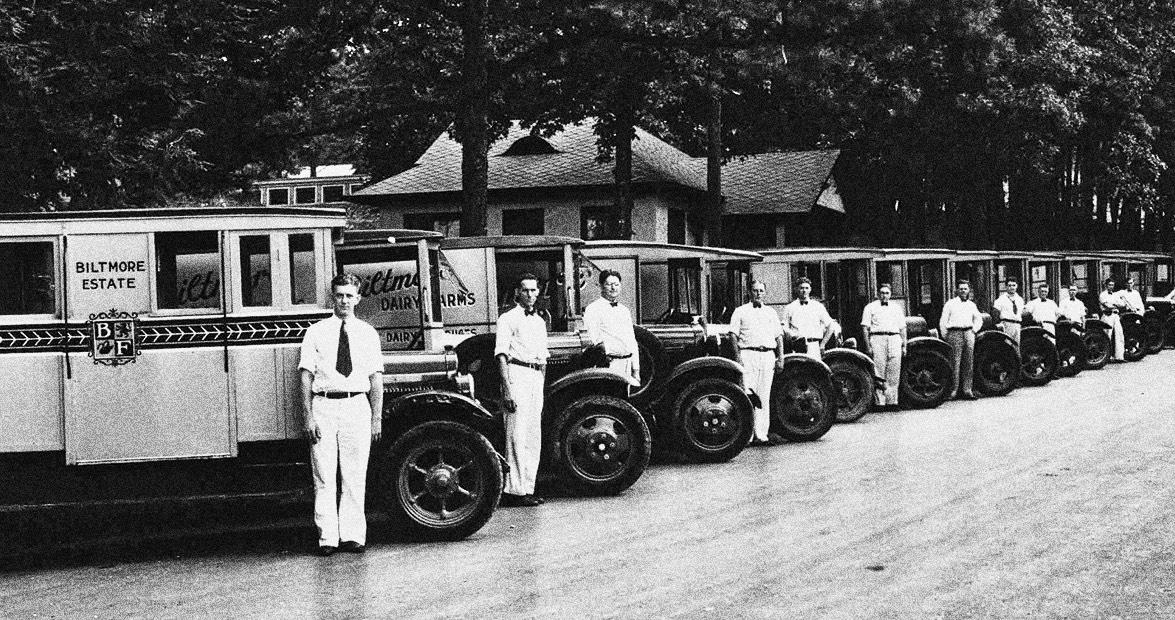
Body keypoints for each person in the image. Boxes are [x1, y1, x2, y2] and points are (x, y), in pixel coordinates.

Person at [300, 273, 384, 556]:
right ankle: (327, 537)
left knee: (355, 474)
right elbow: (305, 376)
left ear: (358, 298)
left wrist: (376, 418)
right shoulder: (316, 332)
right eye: (339, 295)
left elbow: (376, 379)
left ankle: (353, 536)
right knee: (324, 475)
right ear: (332, 298)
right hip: (324, 405)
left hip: (356, 406)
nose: (344, 300)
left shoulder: (367, 333)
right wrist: (308, 416)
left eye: (350, 295)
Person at [495, 273, 549, 507]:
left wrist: (541, 386)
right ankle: (514, 489)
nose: (530, 294)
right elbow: (501, 355)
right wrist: (507, 389)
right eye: (525, 290)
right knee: (516, 434)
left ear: (538, 292)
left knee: (532, 435)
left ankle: (528, 487)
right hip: (517, 374)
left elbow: (544, 358)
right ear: (517, 292)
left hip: (536, 377)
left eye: (534, 290)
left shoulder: (539, 321)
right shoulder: (507, 319)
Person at [728, 280, 785, 445]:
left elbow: (778, 336)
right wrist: (738, 357)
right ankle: (747, 436)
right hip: (748, 354)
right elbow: (733, 335)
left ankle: (761, 435)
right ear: (749, 292)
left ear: (765, 293)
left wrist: (780, 357)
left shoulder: (771, 313)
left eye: (761, 291)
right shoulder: (740, 311)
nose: (758, 293)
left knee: (764, 395)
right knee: (748, 394)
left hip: (767, 355)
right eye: (755, 290)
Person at [582, 270, 641, 388]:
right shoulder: (593, 309)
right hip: (608, 365)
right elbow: (592, 340)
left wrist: (636, 370)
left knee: (623, 402)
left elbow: (631, 340)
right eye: (609, 284)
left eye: (616, 284)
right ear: (601, 286)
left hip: (626, 364)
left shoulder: (624, 310)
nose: (613, 288)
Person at [861, 283, 907, 411]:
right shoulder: (870, 307)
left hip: (894, 338)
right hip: (877, 338)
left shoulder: (897, 308)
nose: (884, 295)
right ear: (877, 294)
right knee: (879, 370)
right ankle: (879, 403)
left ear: (890, 294)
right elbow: (865, 327)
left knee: (894, 370)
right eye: (882, 293)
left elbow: (903, 328)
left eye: (887, 293)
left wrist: (904, 345)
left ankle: (892, 402)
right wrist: (868, 346)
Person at [939, 280, 983, 400]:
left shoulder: (971, 305)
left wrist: (974, 330)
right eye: (961, 288)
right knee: (955, 362)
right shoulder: (950, 304)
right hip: (954, 333)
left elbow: (978, 319)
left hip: (969, 333)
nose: (963, 291)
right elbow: (943, 321)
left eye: (965, 289)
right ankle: (953, 390)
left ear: (969, 290)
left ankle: (967, 390)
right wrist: (946, 336)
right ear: (957, 290)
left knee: (968, 362)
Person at [782, 277, 832, 360]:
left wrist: (823, 344)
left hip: (815, 347)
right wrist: (794, 336)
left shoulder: (818, 306)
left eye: (806, 288)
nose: (804, 291)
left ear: (810, 289)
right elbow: (784, 327)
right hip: (797, 347)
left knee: (815, 371)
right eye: (801, 288)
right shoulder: (790, 308)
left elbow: (831, 325)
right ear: (797, 289)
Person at [1099, 278, 1127, 362]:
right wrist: (1114, 305)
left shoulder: (1115, 295)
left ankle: (1119, 356)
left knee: (1119, 334)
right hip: (1107, 315)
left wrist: (1114, 304)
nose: (1111, 287)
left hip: (1115, 315)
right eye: (1109, 285)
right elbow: (1107, 305)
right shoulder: (1102, 294)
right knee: (1107, 335)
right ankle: (1106, 357)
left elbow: (1123, 304)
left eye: (1112, 285)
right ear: (1106, 285)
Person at [992, 278, 1025, 345]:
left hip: (1017, 325)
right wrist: (998, 324)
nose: (1011, 287)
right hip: (1006, 324)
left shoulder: (1020, 299)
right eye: (1009, 285)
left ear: (1017, 286)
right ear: (1006, 287)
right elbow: (995, 312)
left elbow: (1021, 312)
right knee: (1007, 345)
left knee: (1016, 346)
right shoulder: (1001, 299)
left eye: (1013, 285)